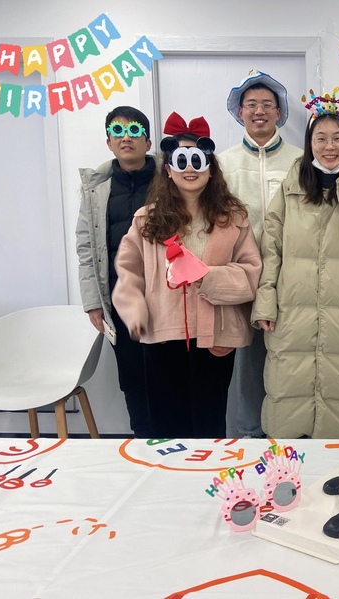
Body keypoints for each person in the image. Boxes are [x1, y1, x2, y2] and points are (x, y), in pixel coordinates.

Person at [113, 112, 261, 439]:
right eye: (181, 161)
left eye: (198, 161)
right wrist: (134, 310)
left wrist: (207, 277)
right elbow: (128, 270)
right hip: (162, 334)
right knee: (167, 427)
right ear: (168, 169)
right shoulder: (146, 220)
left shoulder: (233, 218)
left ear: (211, 168)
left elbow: (252, 274)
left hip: (214, 336)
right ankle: (170, 474)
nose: (190, 169)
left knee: (209, 424)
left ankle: (208, 472)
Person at [251, 91, 339, 439]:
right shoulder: (291, 187)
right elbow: (271, 250)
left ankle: (333, 467)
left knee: (338, 397)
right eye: (321, 138)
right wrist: (265, 301)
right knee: (288, 394)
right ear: (310, 143)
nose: (330, 147)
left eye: (338, 138)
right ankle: (287, 468)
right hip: (291, 313)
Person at [218, 70, 302, 439]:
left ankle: (288, 435)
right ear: (239, 112)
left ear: (279, 112)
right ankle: (248, 436)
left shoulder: (300, 161)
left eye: (267, 104)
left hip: (290, 279)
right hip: (242, 280)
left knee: (289, 361)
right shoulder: (223, 163)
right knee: (247, 366)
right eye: (251, 104)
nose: (259, 111)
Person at [76, 106, 154, 438]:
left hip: (167, 296)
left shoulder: (171, 180)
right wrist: (93, 302)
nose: (126, 137)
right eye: (117, 131)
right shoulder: (96, 189)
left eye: (134, 130)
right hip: (119, 299)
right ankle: (144, 441)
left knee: (169, 373)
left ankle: (176, 444)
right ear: (108, 143)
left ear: (148, 142)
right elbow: (86, 247)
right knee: (133, 376)